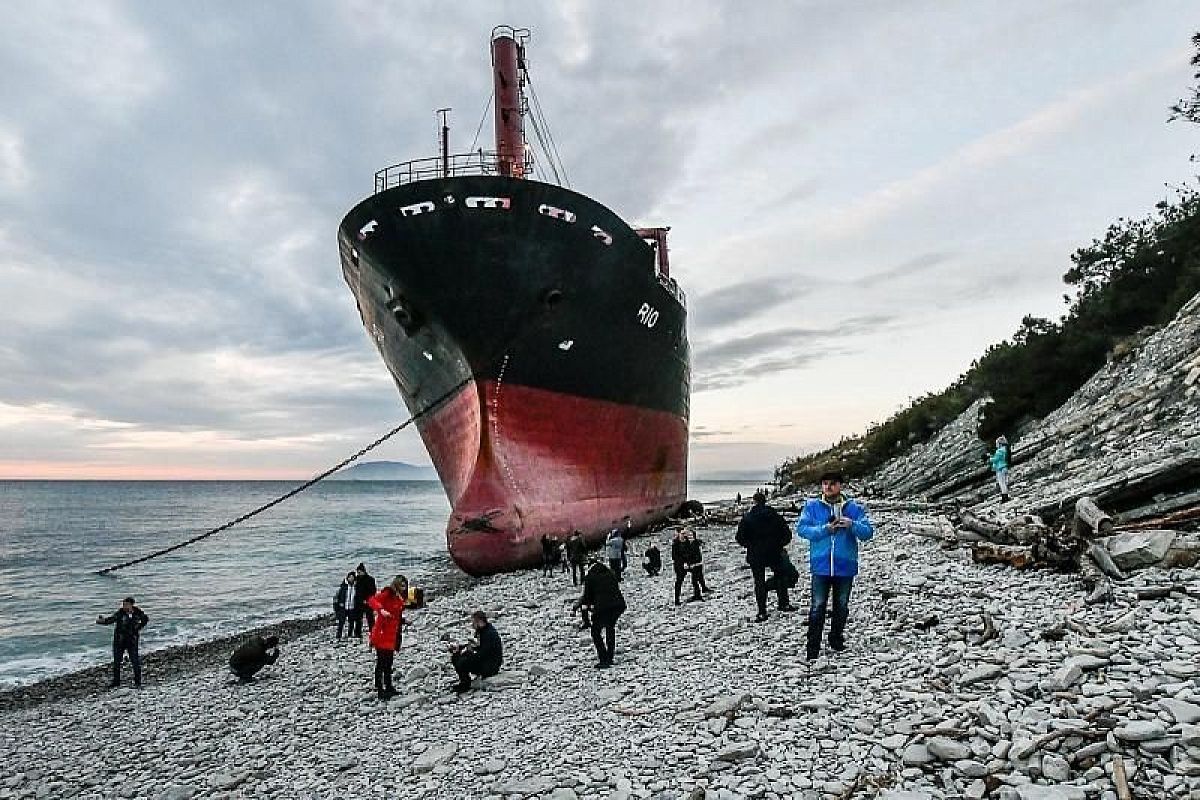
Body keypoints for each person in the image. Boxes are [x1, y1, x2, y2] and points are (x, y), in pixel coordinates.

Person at [795, 471, 875, 660]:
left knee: (841, 605)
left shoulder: (853, 508)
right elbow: (802, 529)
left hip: (845, 565)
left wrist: (852, 524)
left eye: (832, 483)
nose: (828, 487)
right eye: (825, 484)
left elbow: (868, 533)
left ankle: (836, 639)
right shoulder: (812, 506)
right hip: (821, 565)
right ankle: (812, 647)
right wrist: (825, 529)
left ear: (840, 485)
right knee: (817, 606)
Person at [736, 491, 798, 622]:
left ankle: (762, 612)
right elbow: (787, 534)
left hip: (755, 554)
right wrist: (779, 544)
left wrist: (750, 545)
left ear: (754, 501)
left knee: (759, 582)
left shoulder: (747, 517)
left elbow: (740, 538)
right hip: (774, 552)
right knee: (780, 576)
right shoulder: (774, 515)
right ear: (765, 501)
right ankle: (783, 604)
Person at [573, 560, 626, 668]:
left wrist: (581, 610)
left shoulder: (590, 577)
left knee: (595, 632)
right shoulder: (610, 573)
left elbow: (587, 597)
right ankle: (610, 657)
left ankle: (604, 659)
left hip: (603, 607)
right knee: (610, 628)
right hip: (618, 605)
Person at [367, 575, 409, 700]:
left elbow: (396, 615)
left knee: (389, 662)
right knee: (381, 662)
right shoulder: (387, 593)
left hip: (392, 635)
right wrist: (381, 610)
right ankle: (380, 689)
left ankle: (389, 686)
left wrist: (403, 621)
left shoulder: (399, 597)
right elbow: (372, 600)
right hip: (382, 633)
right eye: (401, 585)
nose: (404, 587)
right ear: (396, 584)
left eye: (405, 585)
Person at [96, 597, 148, 689]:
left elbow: (145, 619)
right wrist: (102, 621)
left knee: (135, 661)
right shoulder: (120, 613)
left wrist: (138, 628)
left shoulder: (137, 612)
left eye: (126, 604)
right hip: (119, 641)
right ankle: (116, 682)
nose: (124, 606)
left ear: (131, 605)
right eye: (123, 604)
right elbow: (110, 620)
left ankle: (138, 682)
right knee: (116, 662)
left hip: (132, 641)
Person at [449, 611, 503, 693]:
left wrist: (468, 654)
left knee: (462, 662)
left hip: (491, 667)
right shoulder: (483, 630)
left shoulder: (489, 634)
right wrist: (460, 648)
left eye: (473, 622)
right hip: (486, 661)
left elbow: (483, 653)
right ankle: (464, 682)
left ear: (480, 622)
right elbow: (477, 646)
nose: (472, 625)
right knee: (456, 656)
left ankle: (465, 685)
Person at [671, 529, 702, 605]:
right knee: (679, 581)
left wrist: (690, 563)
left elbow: (690, 552)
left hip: (689, 564)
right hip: (679, 565)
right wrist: (683, 563)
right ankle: (677, 600)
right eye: (682, 533)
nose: (683, 535)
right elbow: (675, 557)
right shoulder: (675, 544)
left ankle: (698, 594)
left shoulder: (687, 542)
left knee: (696, 576)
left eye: (684, 533)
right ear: (678, 534)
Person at [333, 570, 358, 640]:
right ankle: (338, 635)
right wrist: (337, 606)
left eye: (352, 577)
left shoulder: (355, 587)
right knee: (341, 622)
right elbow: (336, 597)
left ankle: (350, 634)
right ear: (347, 578)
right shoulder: (343, 587)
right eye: (350, 577)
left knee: (351, 622)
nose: (351, 579)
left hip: (352, 607)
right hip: (344, 607)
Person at [355, 563, 377, 634]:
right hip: (359, 602)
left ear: (363, 571)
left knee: (370, 618)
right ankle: (358, 633)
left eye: (359, 572)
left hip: (368, 602)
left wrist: (367, 600)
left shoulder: (370, 579)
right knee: (358, 618)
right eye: (357, 572)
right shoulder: (357, 579)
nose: (358, 574)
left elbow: (373, 591)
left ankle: (373, 631)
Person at [990, 436, 1011, 502]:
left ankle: (1005, 497)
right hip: (1005, 467)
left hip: (1000, 468)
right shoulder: (1005, 449)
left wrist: (989, 459)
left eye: (997, 444)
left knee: (1002, 483)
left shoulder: (1000, 450)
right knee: (1004, 483)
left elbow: (995, 459)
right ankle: (1006, 496)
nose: (996, 445)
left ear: (1000, 444)